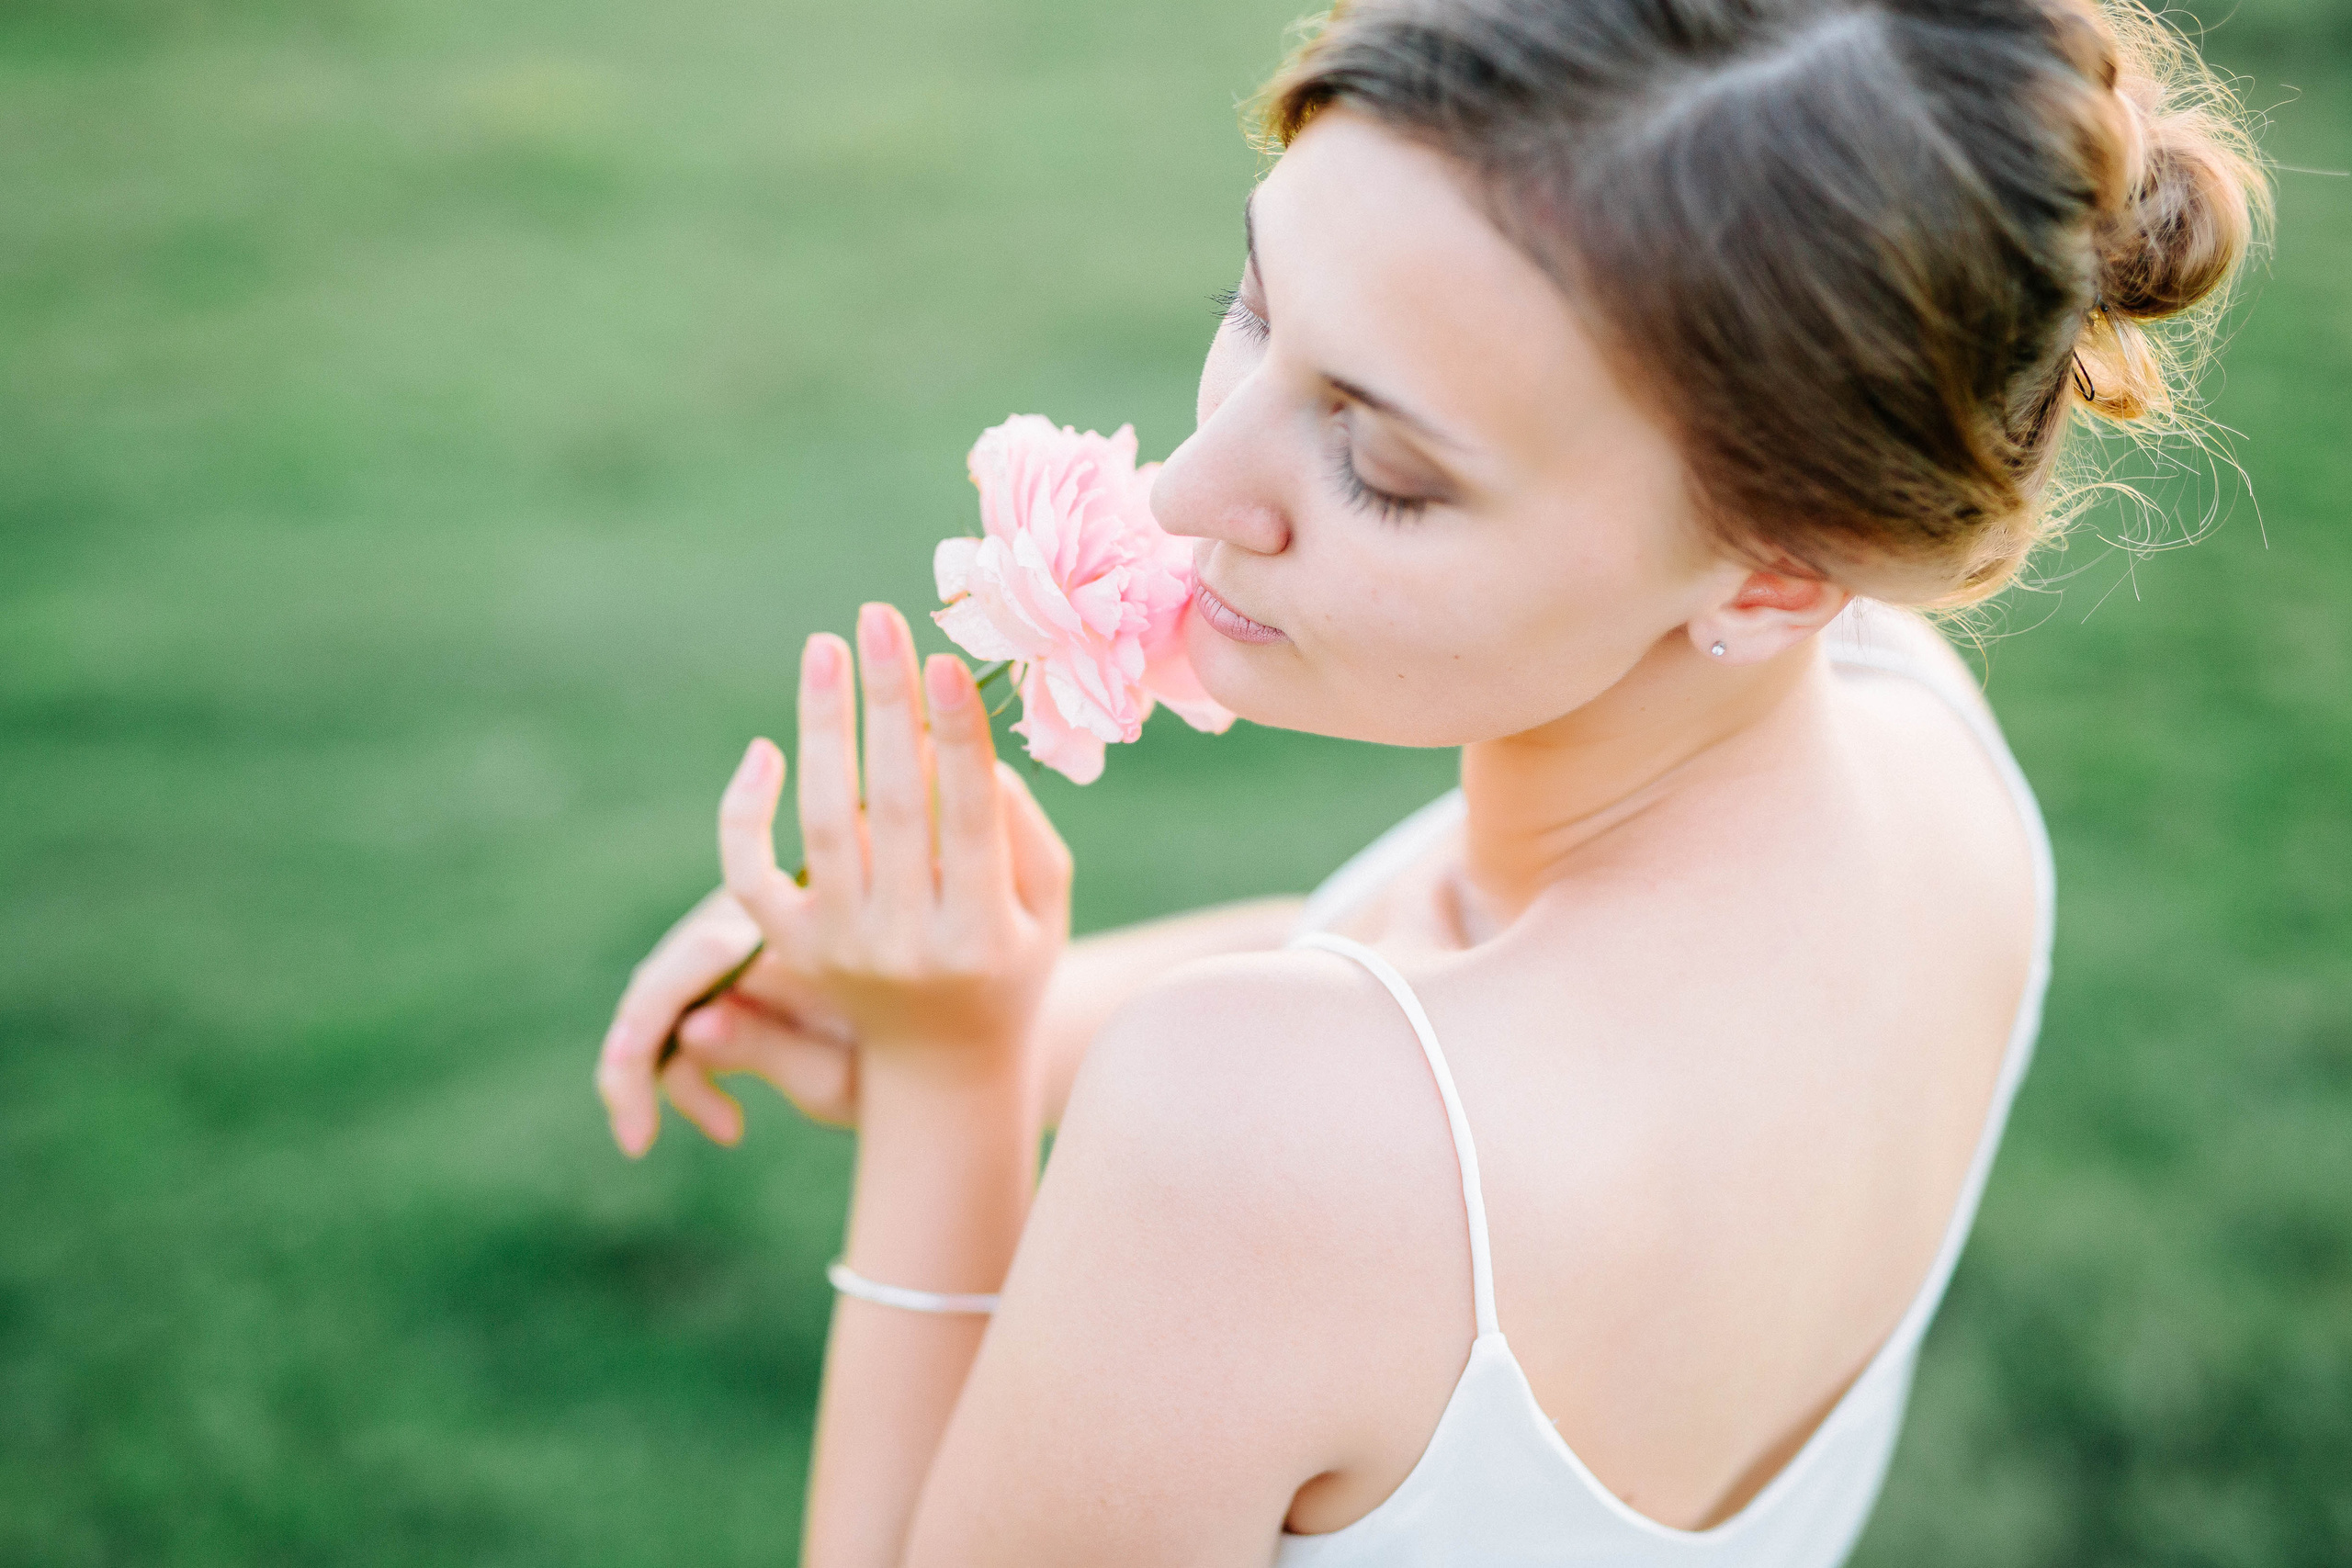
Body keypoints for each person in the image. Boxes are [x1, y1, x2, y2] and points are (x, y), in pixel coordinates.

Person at [592, 1, 2267, 1562]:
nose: (1191, 486)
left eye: (1383, 464)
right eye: (1254, 304)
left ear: (1771, 569)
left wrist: (950, 1081)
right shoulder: (1920, 745)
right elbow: (1433, 970)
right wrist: (1030, 1018)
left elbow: (1340, 1115)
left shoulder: (1246, 1150)